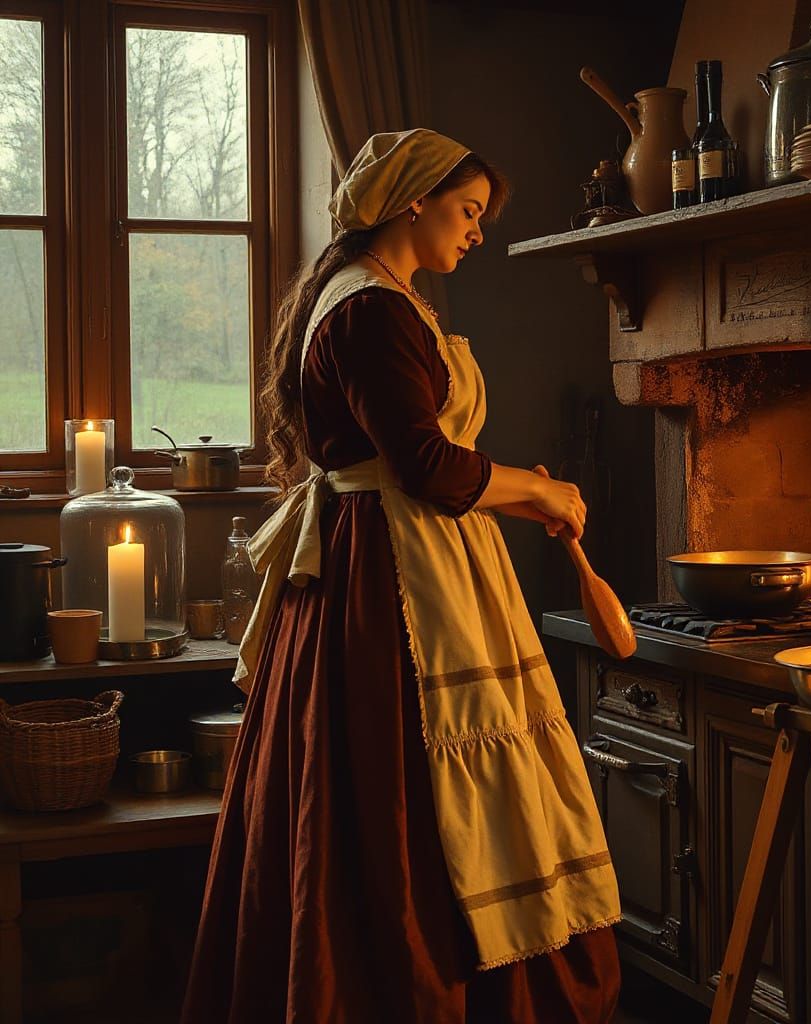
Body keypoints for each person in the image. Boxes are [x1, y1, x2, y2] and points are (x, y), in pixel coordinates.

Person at [181, 128, 621, 1023]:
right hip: (392, 579)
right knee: (406, 781)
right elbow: (421, 464)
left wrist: (515, 499)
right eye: (466, 212)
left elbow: (418, 464)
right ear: (411, 202)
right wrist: (535, 484)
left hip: (396, 552)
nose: (476, 233)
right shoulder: (371, 309)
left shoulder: (376, 300)